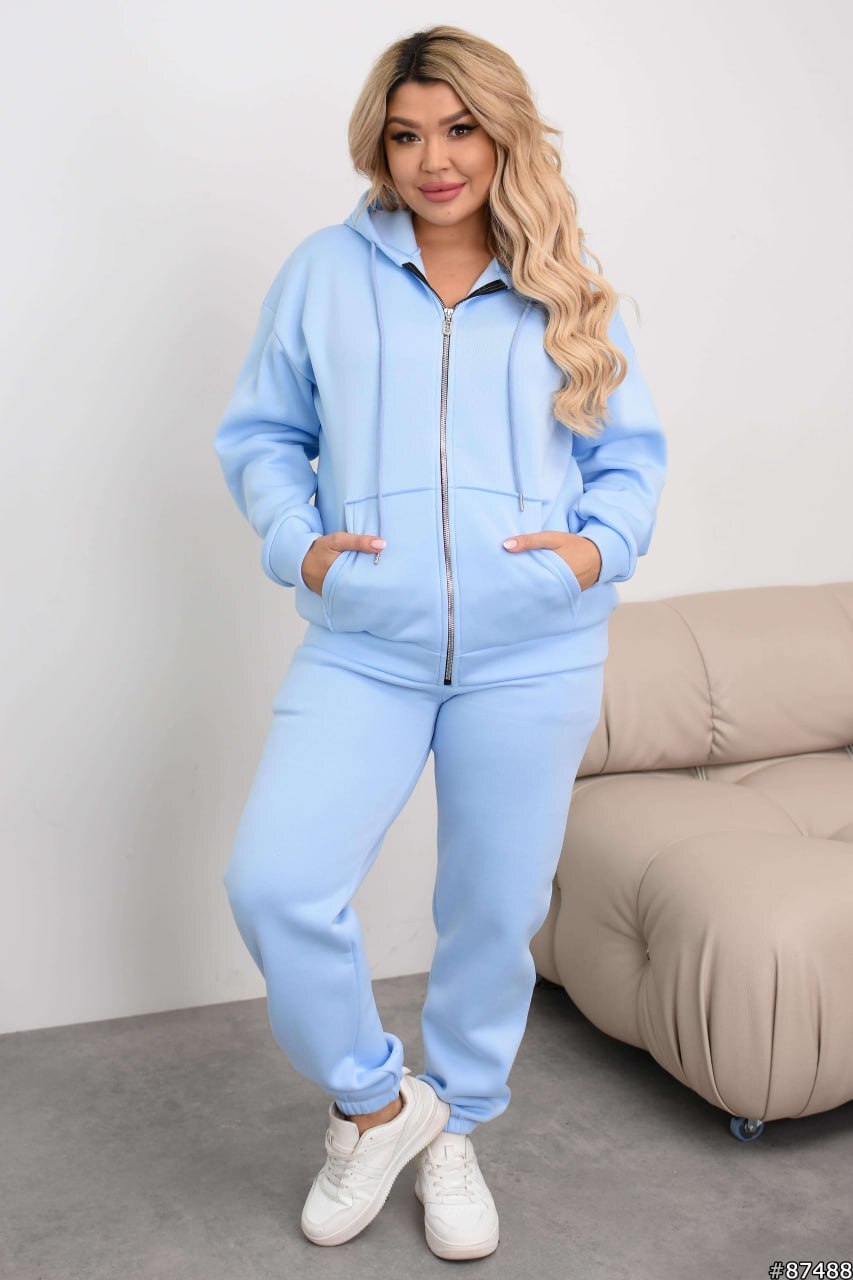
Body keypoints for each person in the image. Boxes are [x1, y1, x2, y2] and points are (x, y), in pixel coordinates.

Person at [214, 24, 667, 1261]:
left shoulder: (566, 281)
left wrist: (592, 551)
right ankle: (379, 1105)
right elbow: (262, 435)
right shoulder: (325, 272)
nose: (434, 160)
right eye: (408, 134)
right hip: (364, 640)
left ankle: (455, 1125)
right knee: (275, 882)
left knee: (489, 910)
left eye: (460, 129)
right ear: (380, 145)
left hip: (535, 649)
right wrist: (301, 543)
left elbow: (630, 459)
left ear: (502, 134)